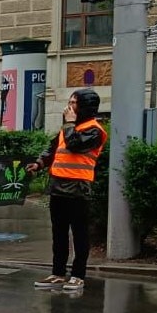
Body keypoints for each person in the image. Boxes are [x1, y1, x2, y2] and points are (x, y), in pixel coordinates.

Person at [27, 89, 107, 293]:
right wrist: (39, 163)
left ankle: (78, 276)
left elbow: (74, 145)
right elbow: (53, 149)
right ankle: (58, 273)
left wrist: (70, 123)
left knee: (80, 235)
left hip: (78, 189)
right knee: (59, 233)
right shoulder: (67, 128)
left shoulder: (94, 130)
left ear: (85, 107)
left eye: (74, 103)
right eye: (69, 102)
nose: (68, 107)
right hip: (58, 188)